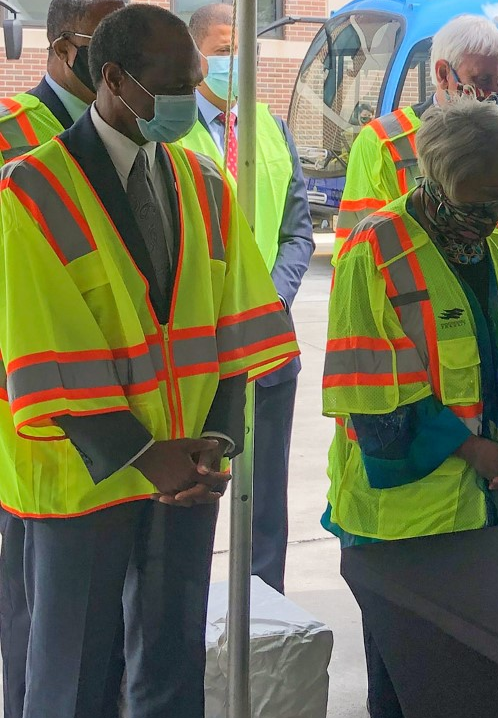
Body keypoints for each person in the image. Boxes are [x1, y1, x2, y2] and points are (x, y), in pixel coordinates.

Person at [0, 5, 298, 717]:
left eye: (196, 81)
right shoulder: (30, 189)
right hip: (85, 474)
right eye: (175, 84)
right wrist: (142, 454)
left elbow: (236, 329)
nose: (192, 99)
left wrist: (216, 445)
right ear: (113, 80)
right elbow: (48, 347)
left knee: (172, 666)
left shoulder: (204, 180)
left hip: (189, 469)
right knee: (72, 675)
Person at [322, 97, 498, 718]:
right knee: (407, 677)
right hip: (407, 514)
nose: (493, 214)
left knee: (483, 677)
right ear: (434, 178)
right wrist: (474, 450)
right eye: (478, 200)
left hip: (497, 499)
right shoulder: (373, 248)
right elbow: (374, 389)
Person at [0, 1, 123, 712]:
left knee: (110, 640)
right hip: (41, 424)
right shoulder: (14, 134)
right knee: (42, 631)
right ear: (63, 47)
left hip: (136, 426)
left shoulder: (142, 131)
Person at [179, 1, 315, 594]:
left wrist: (270, 300)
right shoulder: (171, 131)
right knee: (195, 486)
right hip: (198, 349)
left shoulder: (271, 127)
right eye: (224, 49)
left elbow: (298, 231)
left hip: (269, 344)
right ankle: (192, 604)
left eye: (244, 49)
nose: (238, 60)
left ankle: (266, 601)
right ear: (194, 56)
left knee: (266, 488)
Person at [334, 14, 498, 282]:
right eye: (483, 80)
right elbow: (360, 251)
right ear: (444, 74)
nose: (496, 92)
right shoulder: (384, 142)